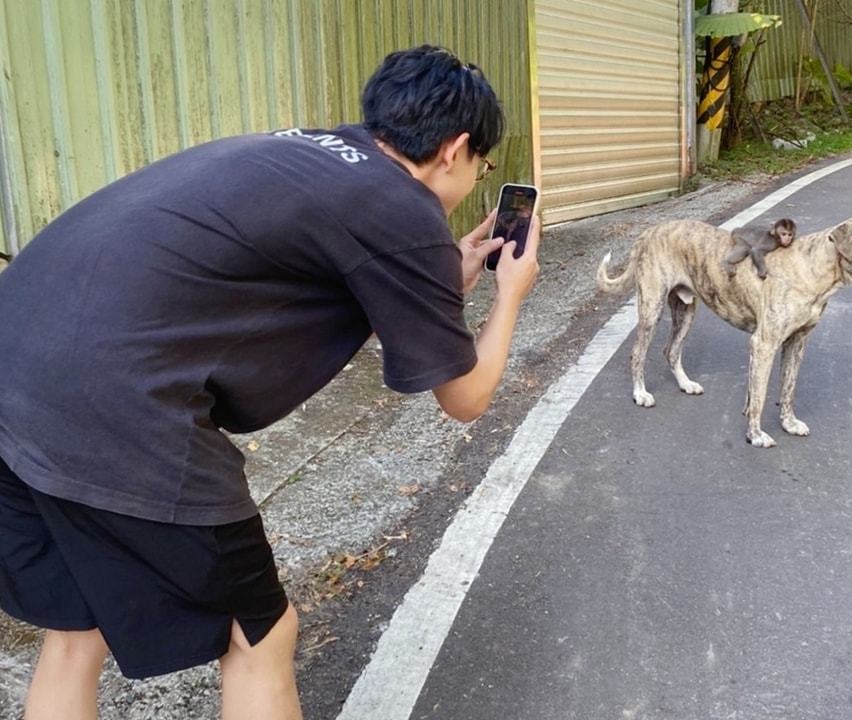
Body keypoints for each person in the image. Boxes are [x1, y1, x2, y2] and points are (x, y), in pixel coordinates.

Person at [0, 45, 539, 720]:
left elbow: (273, 276)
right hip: (116, 405)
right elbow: (466, 398)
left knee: (77, 627)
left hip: (13, 366)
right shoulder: (402, 208)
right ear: (456, 148)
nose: (473, 181)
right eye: (482, 167)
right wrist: (512, 292)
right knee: (259, 636)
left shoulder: (311, 152)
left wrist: (437, 282)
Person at [722, 217, 797, 279]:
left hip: (754, 231)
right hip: (741, 236)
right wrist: (762, 269)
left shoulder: (776, 236)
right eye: (783, 234)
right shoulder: (771, 243)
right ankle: (728, 262)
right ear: (775, 233)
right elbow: (755, 251)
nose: (787, 239)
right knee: (746, 249)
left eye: (790, 235)